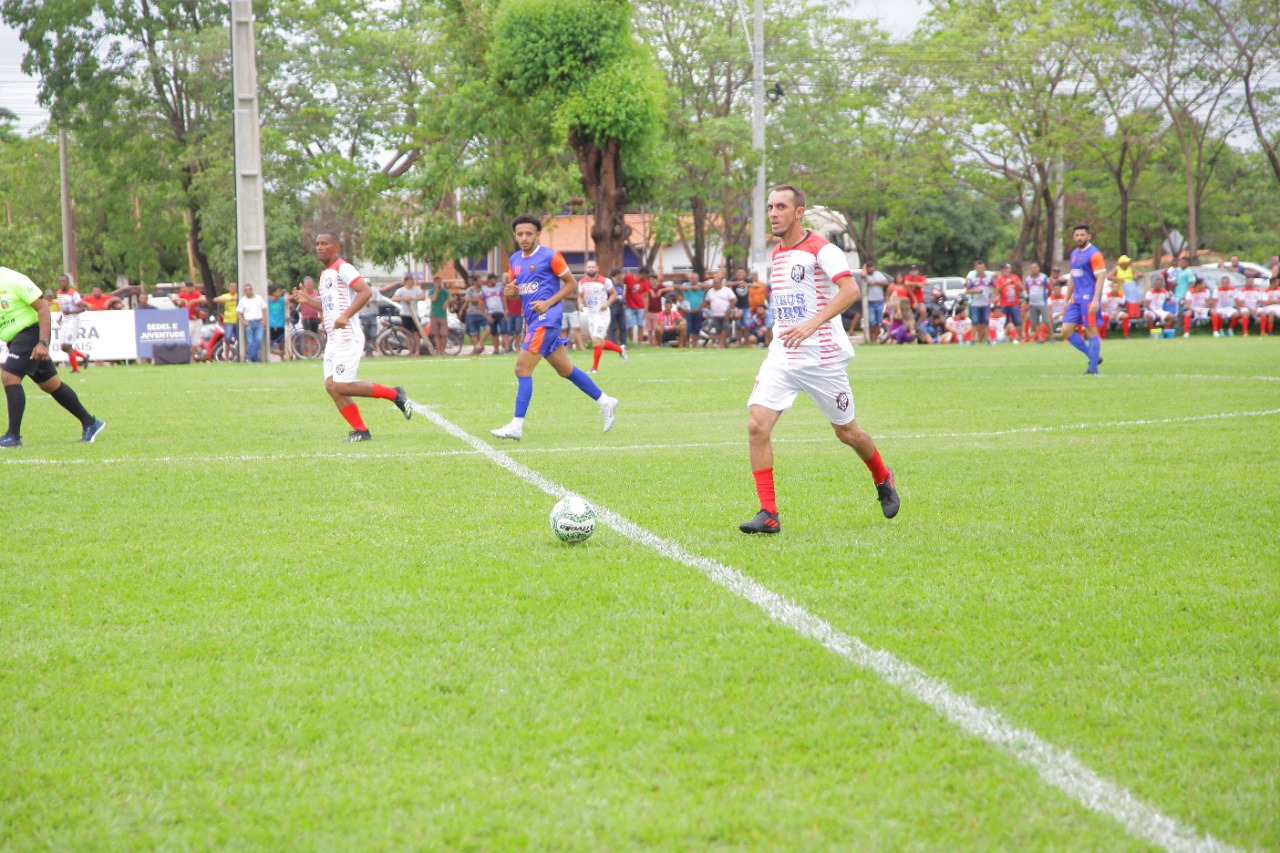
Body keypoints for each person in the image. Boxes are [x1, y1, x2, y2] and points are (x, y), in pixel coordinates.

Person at [739, 185, 898, 535]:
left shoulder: (823, 250)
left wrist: (812, 324)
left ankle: (882, 476)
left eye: (781, 206)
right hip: (783, 356)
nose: (773, 213)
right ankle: (768, 513)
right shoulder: (777, 255)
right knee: (756, 425)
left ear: (799, 212)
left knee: (847, 433)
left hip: (822, 360)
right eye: (770, 207)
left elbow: (850, 291)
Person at [489, 214, 619, 441]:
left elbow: (571, 284)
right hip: (532, 322)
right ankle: (606, 402)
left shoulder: (551, 256)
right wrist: (510, 291)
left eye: (529, 233)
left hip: (547, 320)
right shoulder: (514, 260)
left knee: (522, 369)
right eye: (519, 234)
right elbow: (515, 288)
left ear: (538, 234)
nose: (524, 237)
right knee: (565, 369)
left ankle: (516, 426)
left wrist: (549, 302)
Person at [290, 231, 411, 441]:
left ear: (336, 247)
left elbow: (365, 292)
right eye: (317, 244)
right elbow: (328, 308)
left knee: (342, 385)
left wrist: (346, 315)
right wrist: (308, 301)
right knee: (331, 386)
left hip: (347, 335)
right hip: (334, 338)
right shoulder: (325, 273)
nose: (319, 247)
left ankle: (395, 394)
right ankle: (361, 431)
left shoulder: (343, 268)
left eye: (325, 243)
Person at [0, 265, 105, 448]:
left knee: (9, 376)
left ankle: (13, 436)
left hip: (30, 334)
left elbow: (43, 308)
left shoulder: (14, 279)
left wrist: (43, 342)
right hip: (15, 338)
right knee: (51, 384)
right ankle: (90, 422)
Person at [1062, 224, 1106, 374]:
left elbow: (1101, 277)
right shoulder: (1074, 253)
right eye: (1077, 235)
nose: (1079, 238)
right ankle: (1093, 356)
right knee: (1066, 330)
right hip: (1076, 298)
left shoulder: (1095, 254)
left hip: (1089, 298)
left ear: (1088, 236)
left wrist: (1095, 300)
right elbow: (1073, 278)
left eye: (1082, 235)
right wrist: (1066, 299)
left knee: (1090, 331)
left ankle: (1093, 369)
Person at [580, 260, 626, 373]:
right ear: (586, 269)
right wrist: (580, 304)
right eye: (589, 267)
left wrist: (607, 304)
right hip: (591, 316)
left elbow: (614, 293)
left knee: (596, 340)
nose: (591, 269)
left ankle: (594, 369)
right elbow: (580, 296)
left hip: (602, 315)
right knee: (599, 342)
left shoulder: (605, 281)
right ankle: (620, 349)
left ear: (597, 268)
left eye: (593, 267)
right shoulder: (582, 282)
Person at [53, 275, 91, 372]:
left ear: (68, 282)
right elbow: (63, 309)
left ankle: (75, 369)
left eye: (63, 281)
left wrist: (71, 312)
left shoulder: (74, 294)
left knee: (68, 346)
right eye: (60, 281)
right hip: (65, 321)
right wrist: (60, 317)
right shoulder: (58, 293)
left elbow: (83, 308)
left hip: (73, 320)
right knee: (62, 347)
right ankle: (84, 356)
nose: (62, 282)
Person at [391, 274, 425, 355]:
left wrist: (414, 298)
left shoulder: (416, 289)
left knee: (416, 333)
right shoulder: (401, 290)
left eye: (412, 279)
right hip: (405, 314)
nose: (412, 281)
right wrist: (403, 298)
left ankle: (417, 350)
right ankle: (410, 350)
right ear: (406, 281)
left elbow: (423, 297)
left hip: (414, 314)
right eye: (410, 279)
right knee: (408, 333)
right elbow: (393, 298)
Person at [173, 281, 207, 359]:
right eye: (188, 287)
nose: (190, 288)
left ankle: (192, 357)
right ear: (185, 287)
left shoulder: (196, 294)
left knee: (196, 340)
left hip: (197, 319)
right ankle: (185, 357)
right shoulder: (183, 294)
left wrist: (193, 301)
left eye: (191, 286)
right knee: (186, 338)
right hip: (187, 320)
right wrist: (184, 300)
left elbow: (203, 299)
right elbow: (173, 299)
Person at [964, 260, 995, 345]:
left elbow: (996, 287)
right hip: (975, 303)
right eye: (979, 267)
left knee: (986, 321)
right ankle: (973, 339)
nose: (980, 269)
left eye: (982, 267)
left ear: (984, 268)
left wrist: (993, 298)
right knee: (974, 321)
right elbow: (967, 290)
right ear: (976, 268)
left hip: (985, 303)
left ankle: (988, 339)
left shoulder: (988, 278)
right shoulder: (972, 278)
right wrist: (976, 292)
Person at [237, 283, 268, 362]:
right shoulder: (242, 300)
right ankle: (255, 359)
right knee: (250, 342)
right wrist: (244, 322)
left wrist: (264, 320)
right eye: (246, 290)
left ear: (252, 290)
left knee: (258, 339)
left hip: (259, 321)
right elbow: (239, 313)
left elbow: (264, 309)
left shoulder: (258, 298)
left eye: (249, 289)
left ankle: (250, 358)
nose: (248, 291)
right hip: (249, 322)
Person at [703, 277, 736, 348]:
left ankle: (721, 344)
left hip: (725, 314)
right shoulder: (710, 291)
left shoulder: (727, 290)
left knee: (725, 328)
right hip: (715, 314)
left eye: (716, 283)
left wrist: (729, 309)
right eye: (713, 283)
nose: (714, 284)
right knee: (718, 330)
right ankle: (722, 344)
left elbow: (734, 300)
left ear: (720, 283)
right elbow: (707, 301)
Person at [1023, 262, 1052, 343]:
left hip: (1042, 302)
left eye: (1035, 267)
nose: (1033, 269)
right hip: (1032, 303)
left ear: (1038, 268)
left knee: (1046, 320)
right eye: (1032, 267)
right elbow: (1027, 289)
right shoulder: (1028, 279)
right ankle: (1040, 338)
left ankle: (1051, 337)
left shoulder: (1043, 277)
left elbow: (1050, 288)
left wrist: (1047, 296)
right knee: (1035, 322)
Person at [995, 263, 1023, 343]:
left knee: (1017, 321)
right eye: (1003, 269)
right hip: (1004, 304)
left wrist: (1016, 284)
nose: (1005, 270)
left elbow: (1021, 288)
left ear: (1010, 269)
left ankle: (1019, 338)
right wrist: (1005, 285)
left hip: (1014, 303)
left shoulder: (1015, 277)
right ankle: (1006, 338)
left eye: (1006, 268)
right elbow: (997, 290)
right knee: (1005, 322)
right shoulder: (1000, 279)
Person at [481, 274, 509, 355]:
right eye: (494, 279)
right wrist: (486, 315)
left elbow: (503, 299)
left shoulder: (499, 288)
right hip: (491, 313)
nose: (496, 281)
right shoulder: (484, 289)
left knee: (504, 331)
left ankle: (506, 348)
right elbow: (481, 303)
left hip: (500, 312)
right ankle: (496, 349)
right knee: (494, 332)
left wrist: (505, 310)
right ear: (489, 280)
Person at [862, 261, 888, 342]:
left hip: (879, 301)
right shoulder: (866, 275)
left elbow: (886, 282)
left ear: (874, 267)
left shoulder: (878, 274)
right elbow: (862, 275)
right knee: (872, 321)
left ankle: (876, 338)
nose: (870, 268)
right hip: (870, 302)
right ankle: (871, 338)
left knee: (878, 321)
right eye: (868, 267)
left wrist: (875, 282)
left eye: (871, 266)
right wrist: (863, 268)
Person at [463, 275, 489, 354]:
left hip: (482, 313)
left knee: (488, 328)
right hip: (471, 313)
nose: (481, 281)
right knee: (473, 333)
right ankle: (476, 351)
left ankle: (479, 344)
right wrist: (478, 300)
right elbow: (467, 299)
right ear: (475, 281)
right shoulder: (470, 290)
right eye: (480, 280)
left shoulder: (484, 289)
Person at [622, 268, 649, 345]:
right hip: (628, 306)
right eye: (646, 276)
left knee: (641, 325)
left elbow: (646, 296)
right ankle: (631, 342)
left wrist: (646, 309)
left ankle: (639, 343)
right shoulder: (629, 277)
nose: (646, 278)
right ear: (643, 274)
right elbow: (621, 284)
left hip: (640, 307)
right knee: (629, 325)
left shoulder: (645, 282)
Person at [429, 274, 452, 356]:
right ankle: (438, 350)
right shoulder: (431, 291)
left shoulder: (444, 291)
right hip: (434, 314)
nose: (438, 283)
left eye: (439, 281)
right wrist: (436, 290)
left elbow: (451, 297)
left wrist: (447, 301)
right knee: (436, 334)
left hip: (443, 315)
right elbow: (433, 299)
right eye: (436, 282)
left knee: (444, 334)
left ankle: (443, 350)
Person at [679, 272, 706, 343]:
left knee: (696, 329)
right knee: (687, 328)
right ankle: (686, 344)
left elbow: (709, 285)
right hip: (687, 311)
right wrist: (692, 287)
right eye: (691, 278)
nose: (692, 279)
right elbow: (681, 288)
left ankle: (694, 344)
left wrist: (699, 286)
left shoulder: (701, 284)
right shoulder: (686, 284)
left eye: (693, 278)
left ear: (697, 279)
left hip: (698, 310)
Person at [213, 283, 239, 349]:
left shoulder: (238, 296)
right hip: (228, 320)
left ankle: (239, 354)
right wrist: (226, 300)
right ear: (229, 288)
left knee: (239, 339)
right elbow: (215, 300)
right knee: (227, 339)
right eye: (231, 287)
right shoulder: (226, 296)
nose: (233, 288)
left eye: (234, 287)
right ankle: (226, 357)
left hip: (238, 320)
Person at [268, 286, 287, 353]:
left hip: (280, 324)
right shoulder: (269, 301)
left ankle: (282, 356)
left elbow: (289, 297)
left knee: (281, 342)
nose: (279, 293)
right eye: (278, 291)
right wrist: (271, 297)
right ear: (273, 292)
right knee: (270, 341)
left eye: (280, 291)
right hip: (271, 325)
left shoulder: (282, 300)